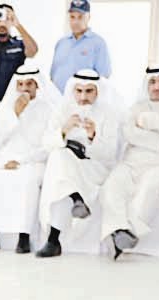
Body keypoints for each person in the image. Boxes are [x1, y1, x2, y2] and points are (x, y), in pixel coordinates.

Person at [0, 62, 61, 253]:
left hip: (34, 160)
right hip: (3, 157)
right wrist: (15, 114)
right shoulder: (6, 106)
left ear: (38, 85)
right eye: (21, 84)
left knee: (24, 183)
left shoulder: (49, 108)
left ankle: (23, 237)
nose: (24, 89)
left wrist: (22, 161)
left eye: (29, 84)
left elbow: (48, 145)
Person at [99, 65, 159, 258]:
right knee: (111, 187)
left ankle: (127, 234)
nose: (157, 86)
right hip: (132, 162)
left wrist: (145, 120)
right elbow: (129, 133)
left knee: (151, 187)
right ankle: (119, 229)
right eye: (152, 82)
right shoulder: (136, 107)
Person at [36, 69, 122, 257]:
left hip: (94, 167)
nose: (83, 97)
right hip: (67, 163)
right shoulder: (62, 110)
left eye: (89, 91)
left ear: (97, 91)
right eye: (79, 91)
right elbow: (46, 144)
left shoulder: (109, 113)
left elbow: (110, 154)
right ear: (73, 90)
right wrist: (64, 130)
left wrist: (93, 137)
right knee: (59, 159)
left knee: (60, 173)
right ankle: (75, 199)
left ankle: (54, 239)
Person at [50, 0, 110, 92]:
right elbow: (54, 74)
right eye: (72, 17)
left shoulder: (98, 43)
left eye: (80, 17)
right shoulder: (61, 43)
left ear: (88, 17)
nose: (75, 21)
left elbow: (103, 77)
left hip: (82, 101)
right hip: (58, 100)